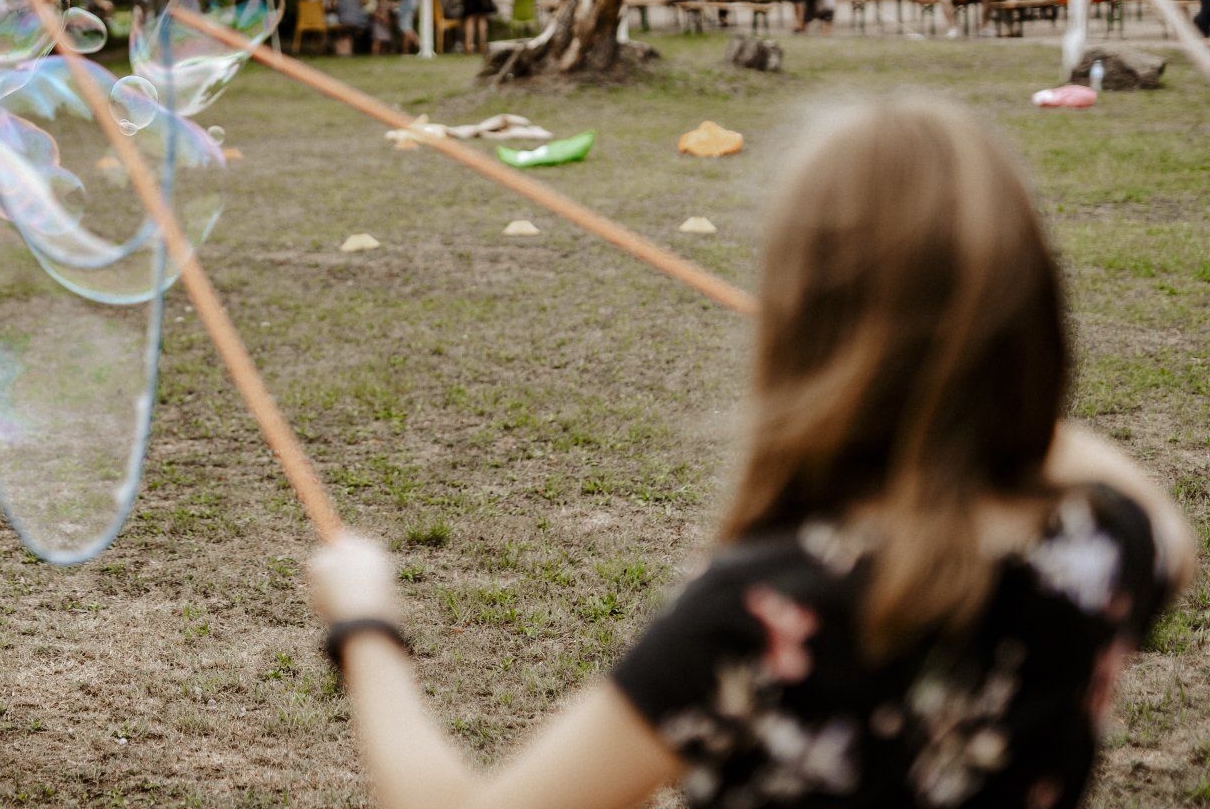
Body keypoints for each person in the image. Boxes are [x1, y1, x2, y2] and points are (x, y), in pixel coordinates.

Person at [307, 98, 1193, 809]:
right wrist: (963, 384)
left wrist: (365, 625)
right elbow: (1165, 526)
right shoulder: (1101, 547)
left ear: (805, 317)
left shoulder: (766, 613)